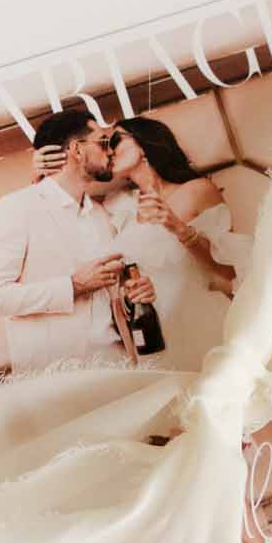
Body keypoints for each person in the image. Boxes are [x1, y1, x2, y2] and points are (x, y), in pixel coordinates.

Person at [0, 110, 156, 374]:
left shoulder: (101, 214)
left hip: (119, 365)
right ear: (77, 150)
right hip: (58, 378)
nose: (110, 152)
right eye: (103, 143)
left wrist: (133, 295)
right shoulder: (17, 207)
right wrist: (72, 286)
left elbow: (109, 298)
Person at [104, 115, 253, 370]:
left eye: (116, 140)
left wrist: (179, 229)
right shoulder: (120, 207)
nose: (108, 150)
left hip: (198, 320)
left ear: (143, 144)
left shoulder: (197, 190)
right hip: (153, 332)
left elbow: (228, 273)